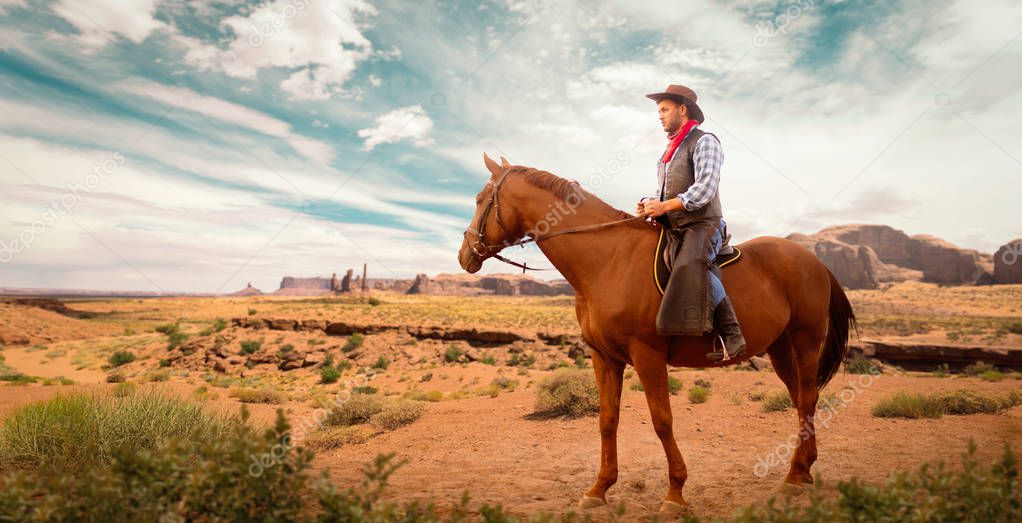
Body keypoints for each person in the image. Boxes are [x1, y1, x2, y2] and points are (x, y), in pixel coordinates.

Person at [635, 84, 746, 361]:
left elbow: (704, 189)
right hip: (675, 225)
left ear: (682, 110)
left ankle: (731, 334)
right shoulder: (669, 151)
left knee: (690, 262)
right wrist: (650, 204)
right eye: (658, 111)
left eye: (664, 109)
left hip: (704, 224)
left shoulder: (705, 141)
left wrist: (664, 205)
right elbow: (668, 193)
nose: (659, 116)